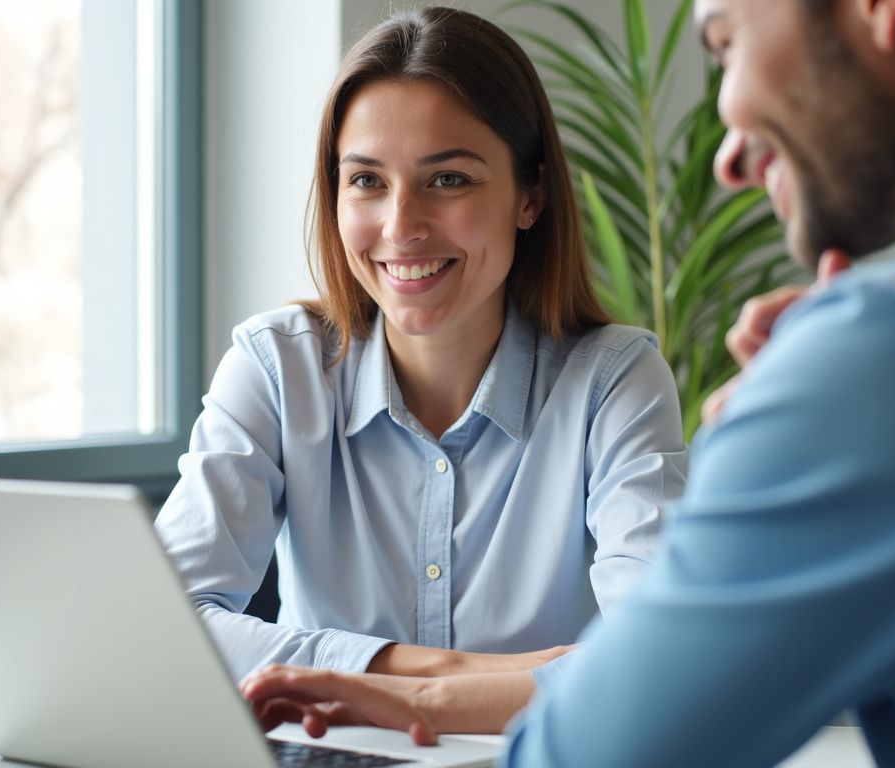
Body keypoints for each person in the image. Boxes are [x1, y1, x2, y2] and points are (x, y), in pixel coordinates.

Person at [237, 0, 895, 764]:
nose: (728, 152)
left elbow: (597, 752)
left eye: (727, 43)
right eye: (364, 181)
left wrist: (823, 404)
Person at [152, 4, 688, 729]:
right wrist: (425, 666)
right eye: (367, 181)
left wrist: (416, 697)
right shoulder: (278, 365)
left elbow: (660, 661)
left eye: (449, 181)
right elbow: (170, 626)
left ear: (530, 196)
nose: (401, 227)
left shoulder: (612, 380)